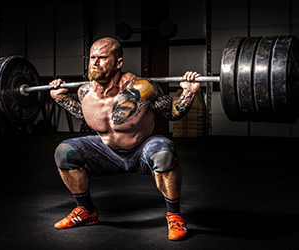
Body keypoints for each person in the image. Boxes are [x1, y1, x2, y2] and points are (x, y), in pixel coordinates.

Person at [49, 37, 201, 241]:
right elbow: (83, 114)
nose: (95, 62)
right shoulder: (84, 92)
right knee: (64, 152)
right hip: (105, 151)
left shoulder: (143, 88)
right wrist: (61, 98)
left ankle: (174, 215)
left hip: (141, 148)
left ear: (118, 63)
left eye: (102, 58)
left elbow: (172, 111)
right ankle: (86, 211)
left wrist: (188, 93)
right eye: (92, 57)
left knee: (164, 153)